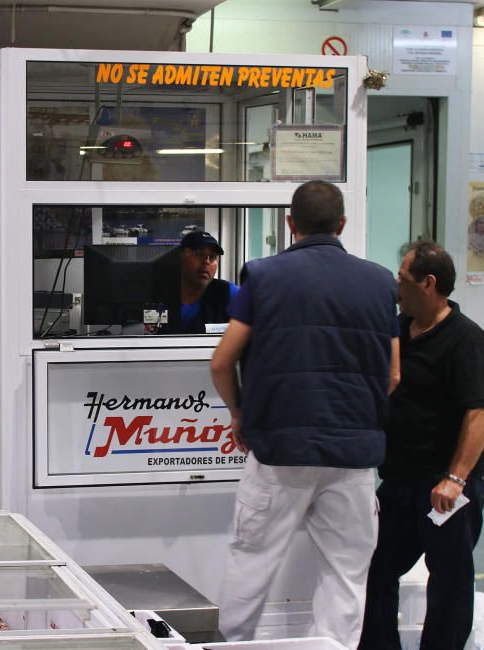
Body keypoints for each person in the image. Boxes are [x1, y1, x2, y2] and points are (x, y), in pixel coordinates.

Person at [209, 180, 400, 648]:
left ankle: (233, 645)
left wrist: (240, 414)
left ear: (290, 224)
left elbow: (221, 361)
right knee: (346, 573)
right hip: (353, 458)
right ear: (342, 224)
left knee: (253, 562)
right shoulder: (380, 282)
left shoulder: (265, 276)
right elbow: (393, 375)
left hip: (280, 452)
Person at [359, 242, 484, 650]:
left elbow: (478, 414)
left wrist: (455, 478)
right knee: (375, 569)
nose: (397, 285)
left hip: (442, 487)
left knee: (448, 580)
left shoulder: (465, 340)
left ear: (429, 284)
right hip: (398, 481)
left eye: (403, 278)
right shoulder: (400, 329)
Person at [175, 230, 239, 334]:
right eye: (199, 254)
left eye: (213, 257)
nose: (206, 261)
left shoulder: (227, 292)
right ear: (181, 257)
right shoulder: (159, 292)